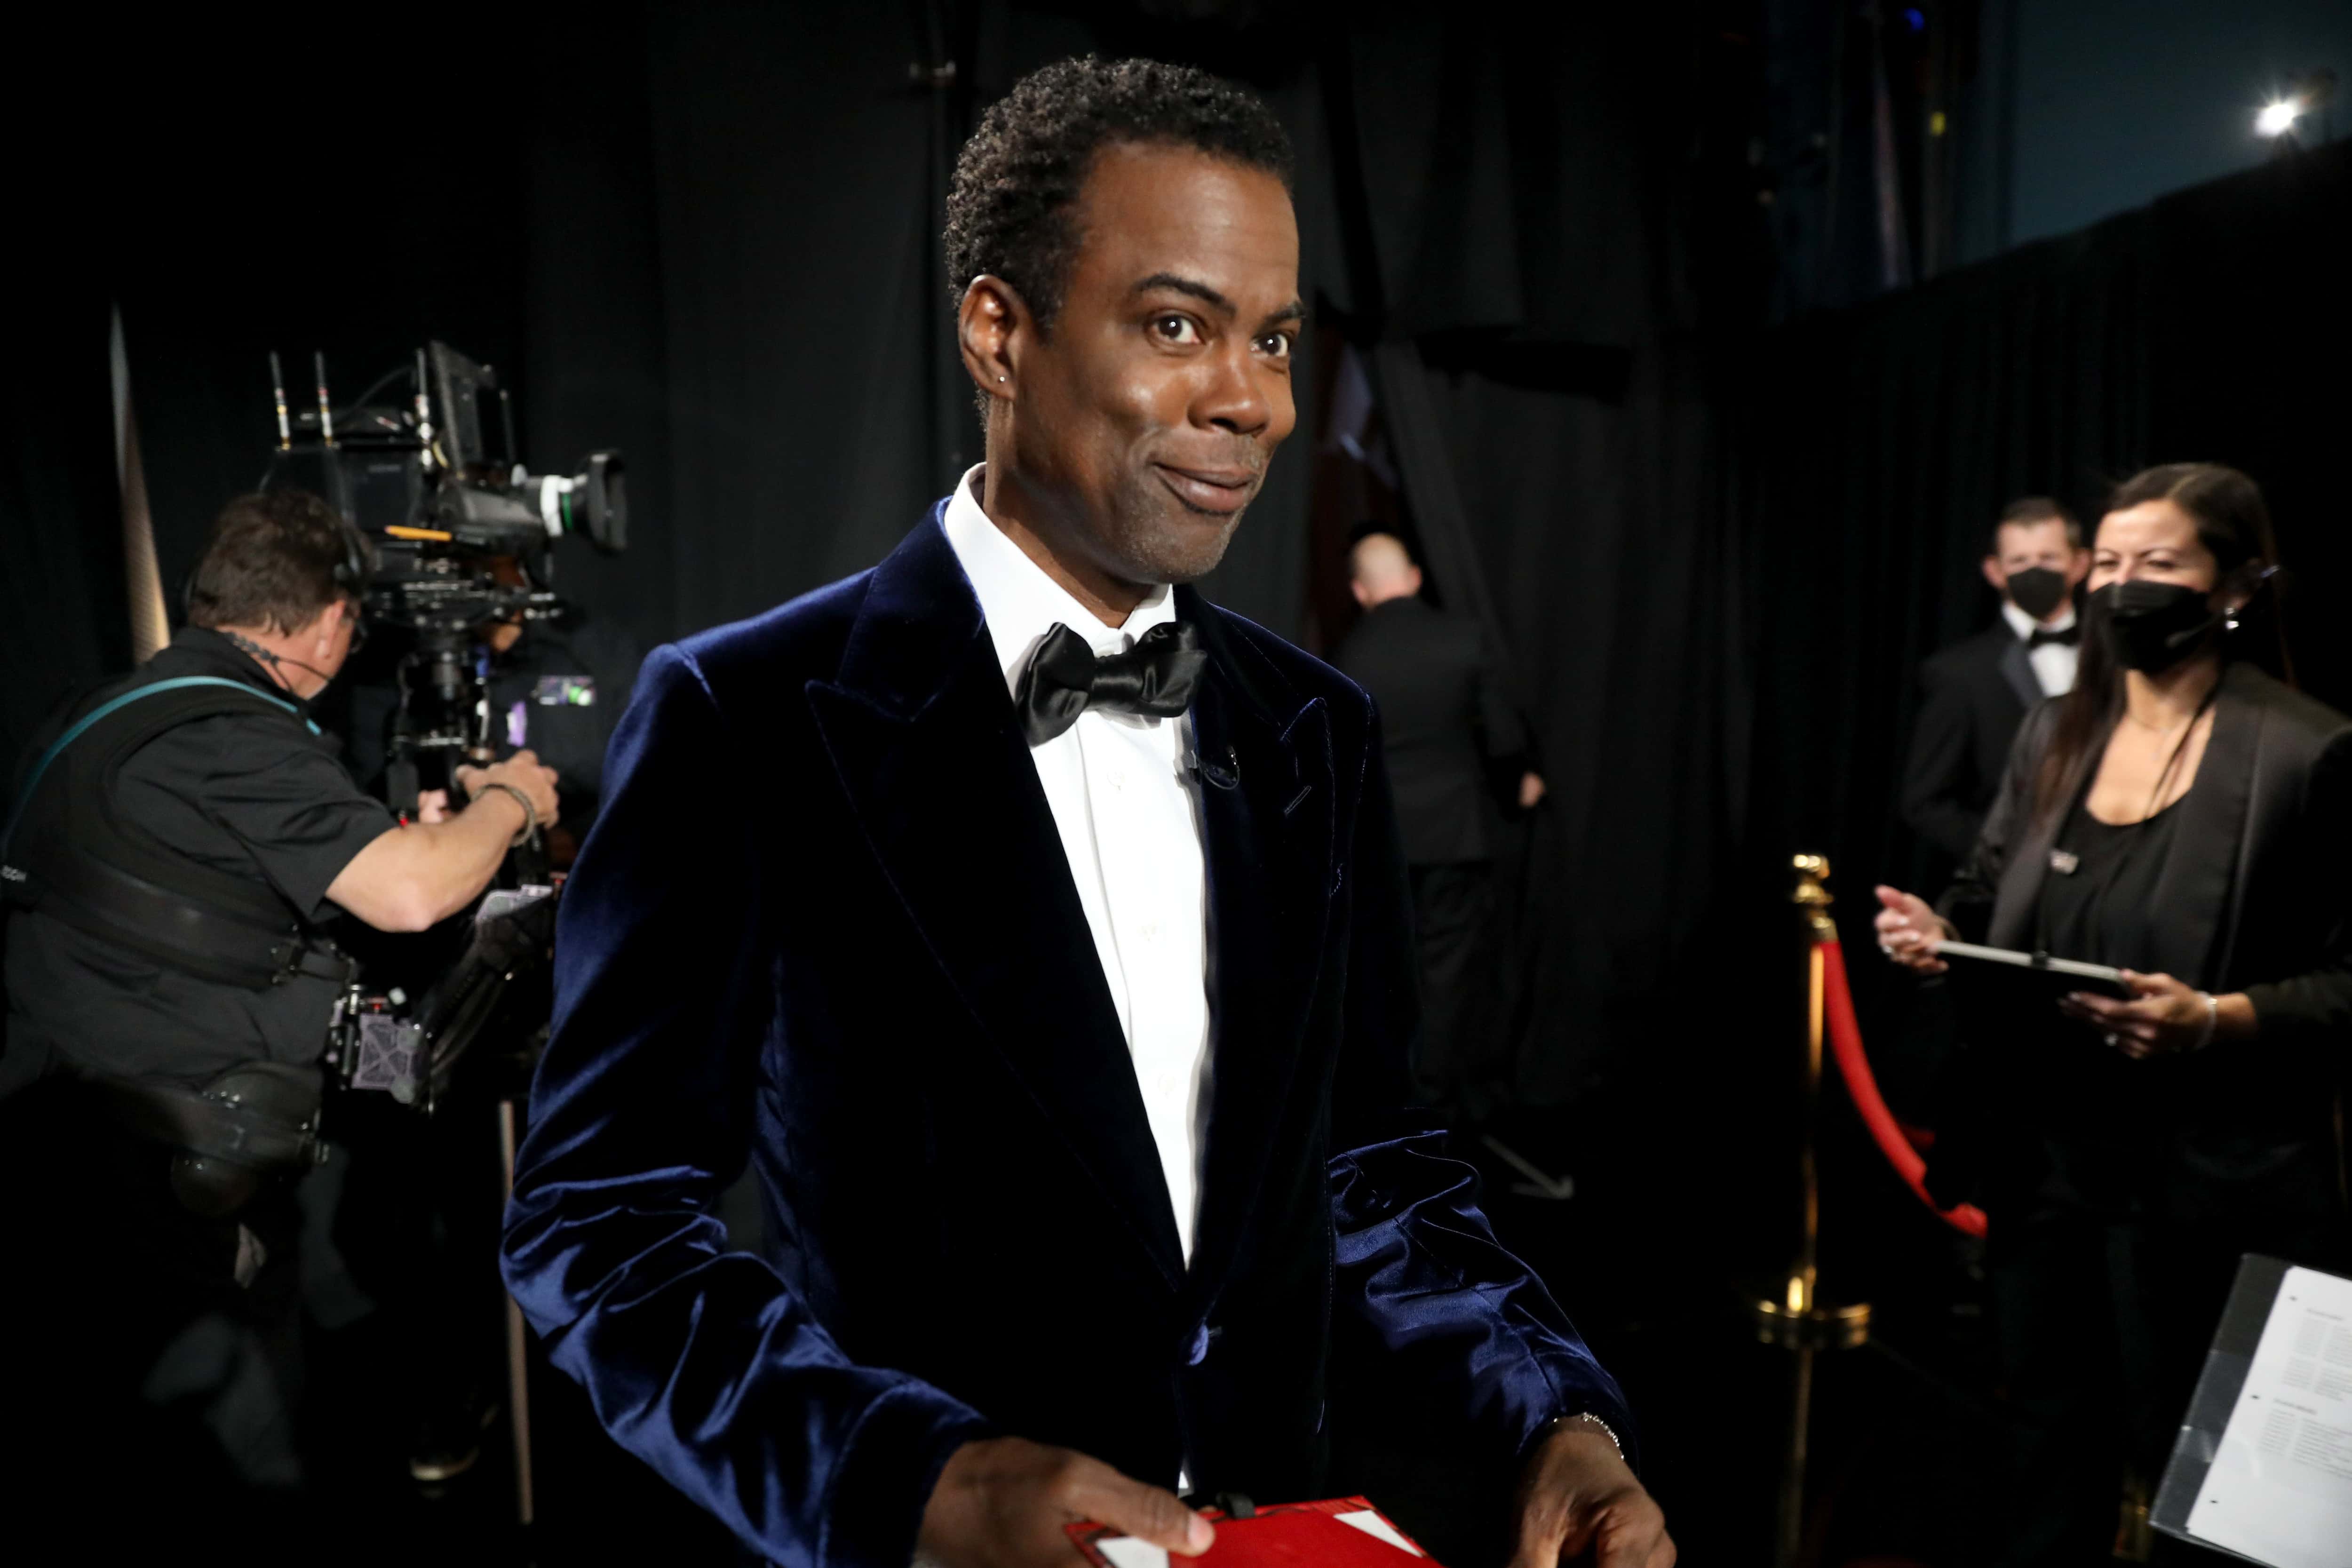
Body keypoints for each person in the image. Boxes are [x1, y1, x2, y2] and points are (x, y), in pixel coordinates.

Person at [501, 56, 1672, 1568]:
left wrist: (1552, 1415)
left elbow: (1371, 1168)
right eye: (1177, 325)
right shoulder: (745, 715)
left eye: (1273, 338)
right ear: (1001, 333)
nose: (1249, 400)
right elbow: (599, 1222)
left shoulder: (1317, 731)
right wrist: (915, 1481)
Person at [0, 488, 558, 1529]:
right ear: (330, 621)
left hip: (60, 1162)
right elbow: (410, 894)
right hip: (172, 1203)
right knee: (234, 1481)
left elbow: (199, 896)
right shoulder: (236, 735)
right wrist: (509, 799)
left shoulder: (98, 714)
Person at [1872, 464, 2352, 1566]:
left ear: (2235, 585)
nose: (2124, 585)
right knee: (2046, 1445)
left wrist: (2216, 1018)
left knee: (2198, 1476)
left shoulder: (2304, 750)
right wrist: (1937, 934)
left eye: (2160, 562)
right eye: (2113, 561)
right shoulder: (2052, 731)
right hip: (2044, 1166)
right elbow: (1983, 890)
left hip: (2209, 1180)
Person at [1331, 529, 1542, 1117]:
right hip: (1455, 835)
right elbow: (1502, 739)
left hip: (1381, 843)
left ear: (1359, 591)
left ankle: (1388, 1094)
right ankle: (1433, 1098)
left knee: (1383, 967)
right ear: (1415, 578)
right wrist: (1521, 781)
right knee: (1447, 972)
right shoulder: (1464, 638)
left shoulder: (1346, 658)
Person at [1901, 498, 2090, 871]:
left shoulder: (2116, 659)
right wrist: (2005, 860)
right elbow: (1927, 801)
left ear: (2081, 563)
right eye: (2019, 561)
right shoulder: (1959, 673)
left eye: (2049, 558)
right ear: (1994, 571)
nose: (2034, 571)